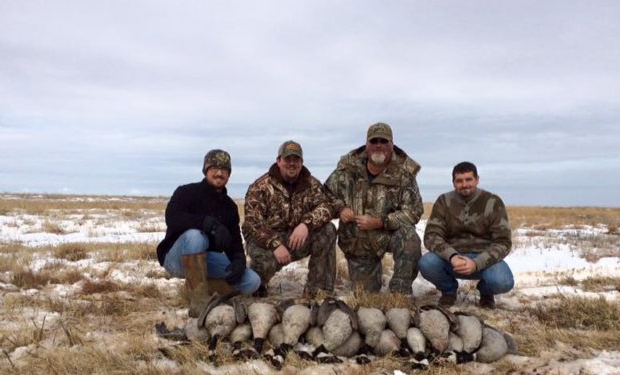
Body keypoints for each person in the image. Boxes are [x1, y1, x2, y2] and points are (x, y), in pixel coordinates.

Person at [156, 149, 260, 316]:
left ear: (229, 174)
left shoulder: (230, 207)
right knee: (196, 236)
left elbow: (234, 240)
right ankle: (198, 303)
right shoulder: (186, 192)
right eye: (214, 169)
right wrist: (206, 223)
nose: (219, 173)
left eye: (224, 170)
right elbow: (172, 218)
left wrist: (239, 261)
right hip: (176, 259)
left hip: (207, 260)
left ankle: (200, 287)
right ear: (205, 170)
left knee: (252, 281)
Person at [323, 122, 423, 294]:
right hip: (358, 241)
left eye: (384, 141)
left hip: (388, 234)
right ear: (366, 145)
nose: (379, 145)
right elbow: (325, 195)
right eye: (374, 141)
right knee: (366, 297)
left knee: (410, 238)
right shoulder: (347, 170)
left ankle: (400, 291)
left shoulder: (404, 174)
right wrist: (340, 209)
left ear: (392, 144)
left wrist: (379, 222)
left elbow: (413, 212)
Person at [242, 140, 337, 296]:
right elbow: (252, 223)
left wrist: (306, 224)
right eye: (287, 159)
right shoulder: (260, 187)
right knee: (259, 273)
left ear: (301, 162)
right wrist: (275, 244)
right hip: (267, 242)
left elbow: (326, 207)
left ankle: (318, 291)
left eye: (296, 160)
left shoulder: (311, 184)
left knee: (328, 230)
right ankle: (257, 285)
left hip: (296, 238)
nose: (292, 164)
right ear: (278, 161)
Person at [418, 161, 513, 309]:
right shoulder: (443, 201)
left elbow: (503, 243)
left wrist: (477, 263)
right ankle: (448, 291)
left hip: (484, 260)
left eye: (469, 179)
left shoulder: (493, 202)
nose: (464, 184)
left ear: (477, 179)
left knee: (503, 281)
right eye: (459, 181)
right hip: (452, 259)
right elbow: (431, 236)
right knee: (427, 263)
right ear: (453, 182)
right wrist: (452, 256)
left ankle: (486, 292)